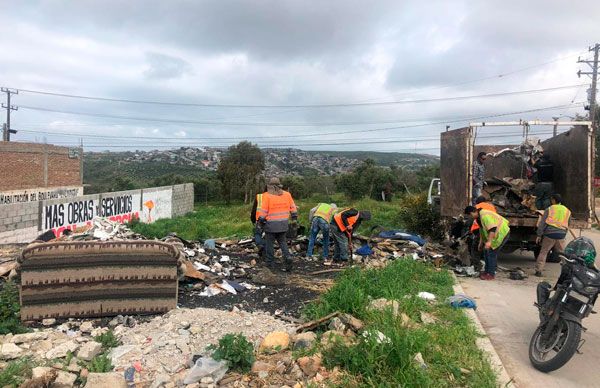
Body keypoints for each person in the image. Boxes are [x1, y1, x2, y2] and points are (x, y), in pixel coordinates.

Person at [257, 177, 298, 272]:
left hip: (271, 225)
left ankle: (270, 263)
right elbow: (293, 208)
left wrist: (260, 222)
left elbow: (263, 211)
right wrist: (294, 218)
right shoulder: (287, 195)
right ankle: (287, 257)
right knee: (283, 242)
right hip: (283, 224)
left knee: (269, 244)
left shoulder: (267, 196)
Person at [465, 205, 510, 280]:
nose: (470, 217)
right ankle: (486, 272)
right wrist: (481, 243)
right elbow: (482, 231)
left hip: (502, 233)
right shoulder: (478, 218)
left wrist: (489, 242)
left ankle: (491, 274)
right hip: (496, 234)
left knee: (491, 253)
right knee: (486, 252)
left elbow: (492, 228)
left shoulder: (484, 215)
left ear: (473, 212)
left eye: (470, 215)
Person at [535, 194, 571, 277]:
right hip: (561, 234)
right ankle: (567, 271)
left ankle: (538, 271)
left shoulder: (550, 209)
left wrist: (539, 234)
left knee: (543, 252)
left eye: (551, 200)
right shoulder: (567, 210)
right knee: (563, 255)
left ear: (554, 200)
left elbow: (543, 223)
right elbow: (568, 223)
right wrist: (563, 233)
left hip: (550, 234)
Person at [468, 196, 497, 270]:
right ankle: (492, 267)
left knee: (475, 248)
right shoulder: (492, 207)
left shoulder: (476, 207)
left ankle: (476, 266)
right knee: (490, 250)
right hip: (490, 229)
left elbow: (473, 220)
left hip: (479, 228)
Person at [250, 186, 267, 258]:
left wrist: (253, 219)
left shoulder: (259, 196)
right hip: (271, 220)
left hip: (259, 220)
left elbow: (254, 209)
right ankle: (265, 254)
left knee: (257, 233)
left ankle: (260, 245)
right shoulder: (275, 197)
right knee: (268, 237)